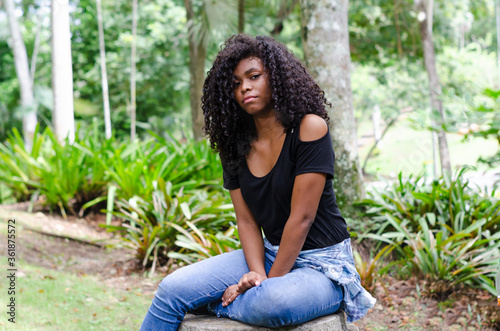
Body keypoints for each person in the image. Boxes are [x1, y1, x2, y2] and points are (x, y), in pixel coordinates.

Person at [140, 34, 375, 331]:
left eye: (254, 76)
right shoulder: (234, 144)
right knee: (172, 289)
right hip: (269, 253)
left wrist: (261, 284)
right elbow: (247, 221)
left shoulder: (309, 128)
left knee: (272, 301)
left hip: (322, 265)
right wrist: (255, 271)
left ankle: (213, 304)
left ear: (276, 78)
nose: (245, 88)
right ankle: (219, 298)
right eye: (235, 84)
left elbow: (301, 219)